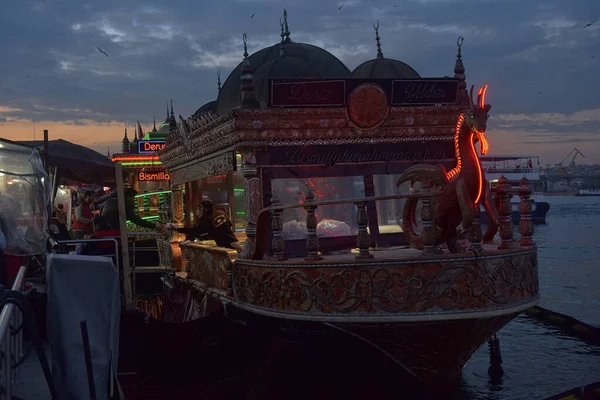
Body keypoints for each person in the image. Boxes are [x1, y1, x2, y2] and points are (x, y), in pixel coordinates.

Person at [167, 199, 240, 250]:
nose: (196, 211)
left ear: (203, 209)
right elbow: (229, 225)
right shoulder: (221, 212)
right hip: (235, 242)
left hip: (226, 247)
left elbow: (195, 231)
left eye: (197, 209)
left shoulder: (207, 220)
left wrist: (177, 229)